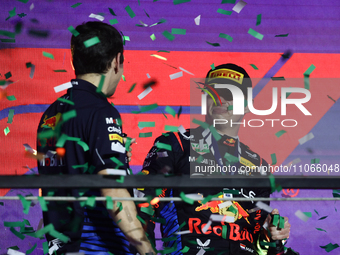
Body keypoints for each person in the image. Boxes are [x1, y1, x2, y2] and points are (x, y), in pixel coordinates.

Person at [140, 64, 298, 254]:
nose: (220, 99)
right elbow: (143, 205)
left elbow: (262, 244)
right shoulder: (176, 144)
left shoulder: (258, 165)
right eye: (213, 92)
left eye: (230, 94)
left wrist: (273, 236)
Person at [37, 21, 154, 255]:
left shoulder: (51, 113)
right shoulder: (101, 111)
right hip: (97, 247)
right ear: (116, 62)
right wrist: (147, 250)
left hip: (62, 246)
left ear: (73, 61)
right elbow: (113, 191)